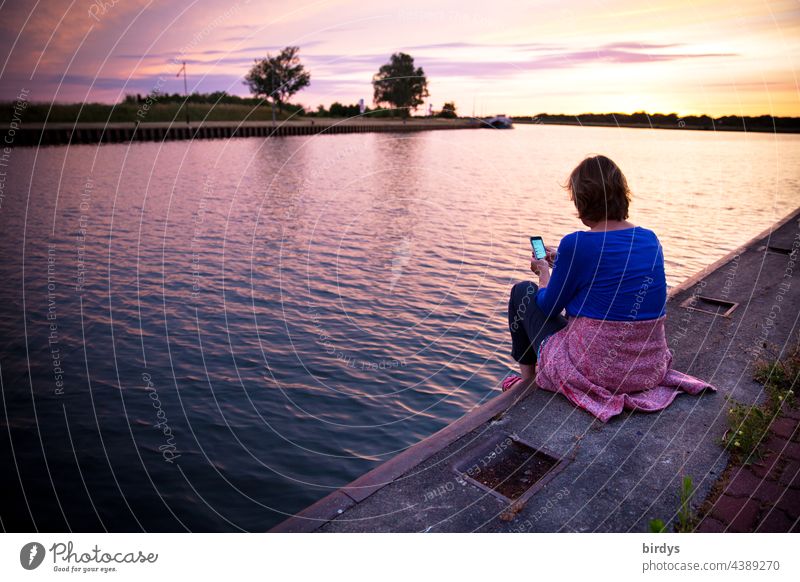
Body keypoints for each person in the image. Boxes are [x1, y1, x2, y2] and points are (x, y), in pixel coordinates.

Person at [506, 155, 716, 422]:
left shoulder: (577, 243)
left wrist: (544, 272)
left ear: (582, 200)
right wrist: (564, 262)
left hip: (599, 371)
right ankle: (533, 381)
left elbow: (547, 307)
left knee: (522, 292)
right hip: (646, 368)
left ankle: (529, 383)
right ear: (621, 194)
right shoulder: (649, 239)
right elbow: (608, 274)